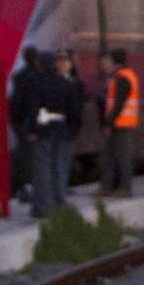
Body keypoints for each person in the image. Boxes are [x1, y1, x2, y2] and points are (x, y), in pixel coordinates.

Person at [24, 52, 72, 218]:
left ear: (39, 63)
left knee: (42, 168)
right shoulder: (64, 82)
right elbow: (71, 109)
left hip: (43, 128)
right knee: (58, 167)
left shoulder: (35, 81)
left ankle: (44, 206)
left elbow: (33, 108)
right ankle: (60, 202)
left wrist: (33, 130)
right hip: (61, 128)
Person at [99, 48, 139, 197]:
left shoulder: (122, 78)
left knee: (122, 158)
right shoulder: (121, 76)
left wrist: (108, 123)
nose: (106, 62)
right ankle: (108, 187)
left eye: (108, 59)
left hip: (120, 124)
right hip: (119, 123)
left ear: (114, 61)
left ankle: (125, 188)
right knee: (110, 156)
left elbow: (118, 104)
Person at [54, 49, 85, 204]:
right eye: (60, 61)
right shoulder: (53, 82)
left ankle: (62, 187)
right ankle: (59, 191)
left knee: (65, 159)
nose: (63, 64)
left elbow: (78, 106)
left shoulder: (76, 84)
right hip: (56, 128)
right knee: (58, 160)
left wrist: (77, 125)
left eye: (66, 61)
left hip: (69, 127)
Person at [8, 45, 39, 201]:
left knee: (23, 157)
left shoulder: (19, 77)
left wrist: (14, 121)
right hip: (38, 123)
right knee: (37, 157)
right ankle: (34, 187)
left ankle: (23, 187)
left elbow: (16, 101)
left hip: (22, 123)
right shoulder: (40, 76)